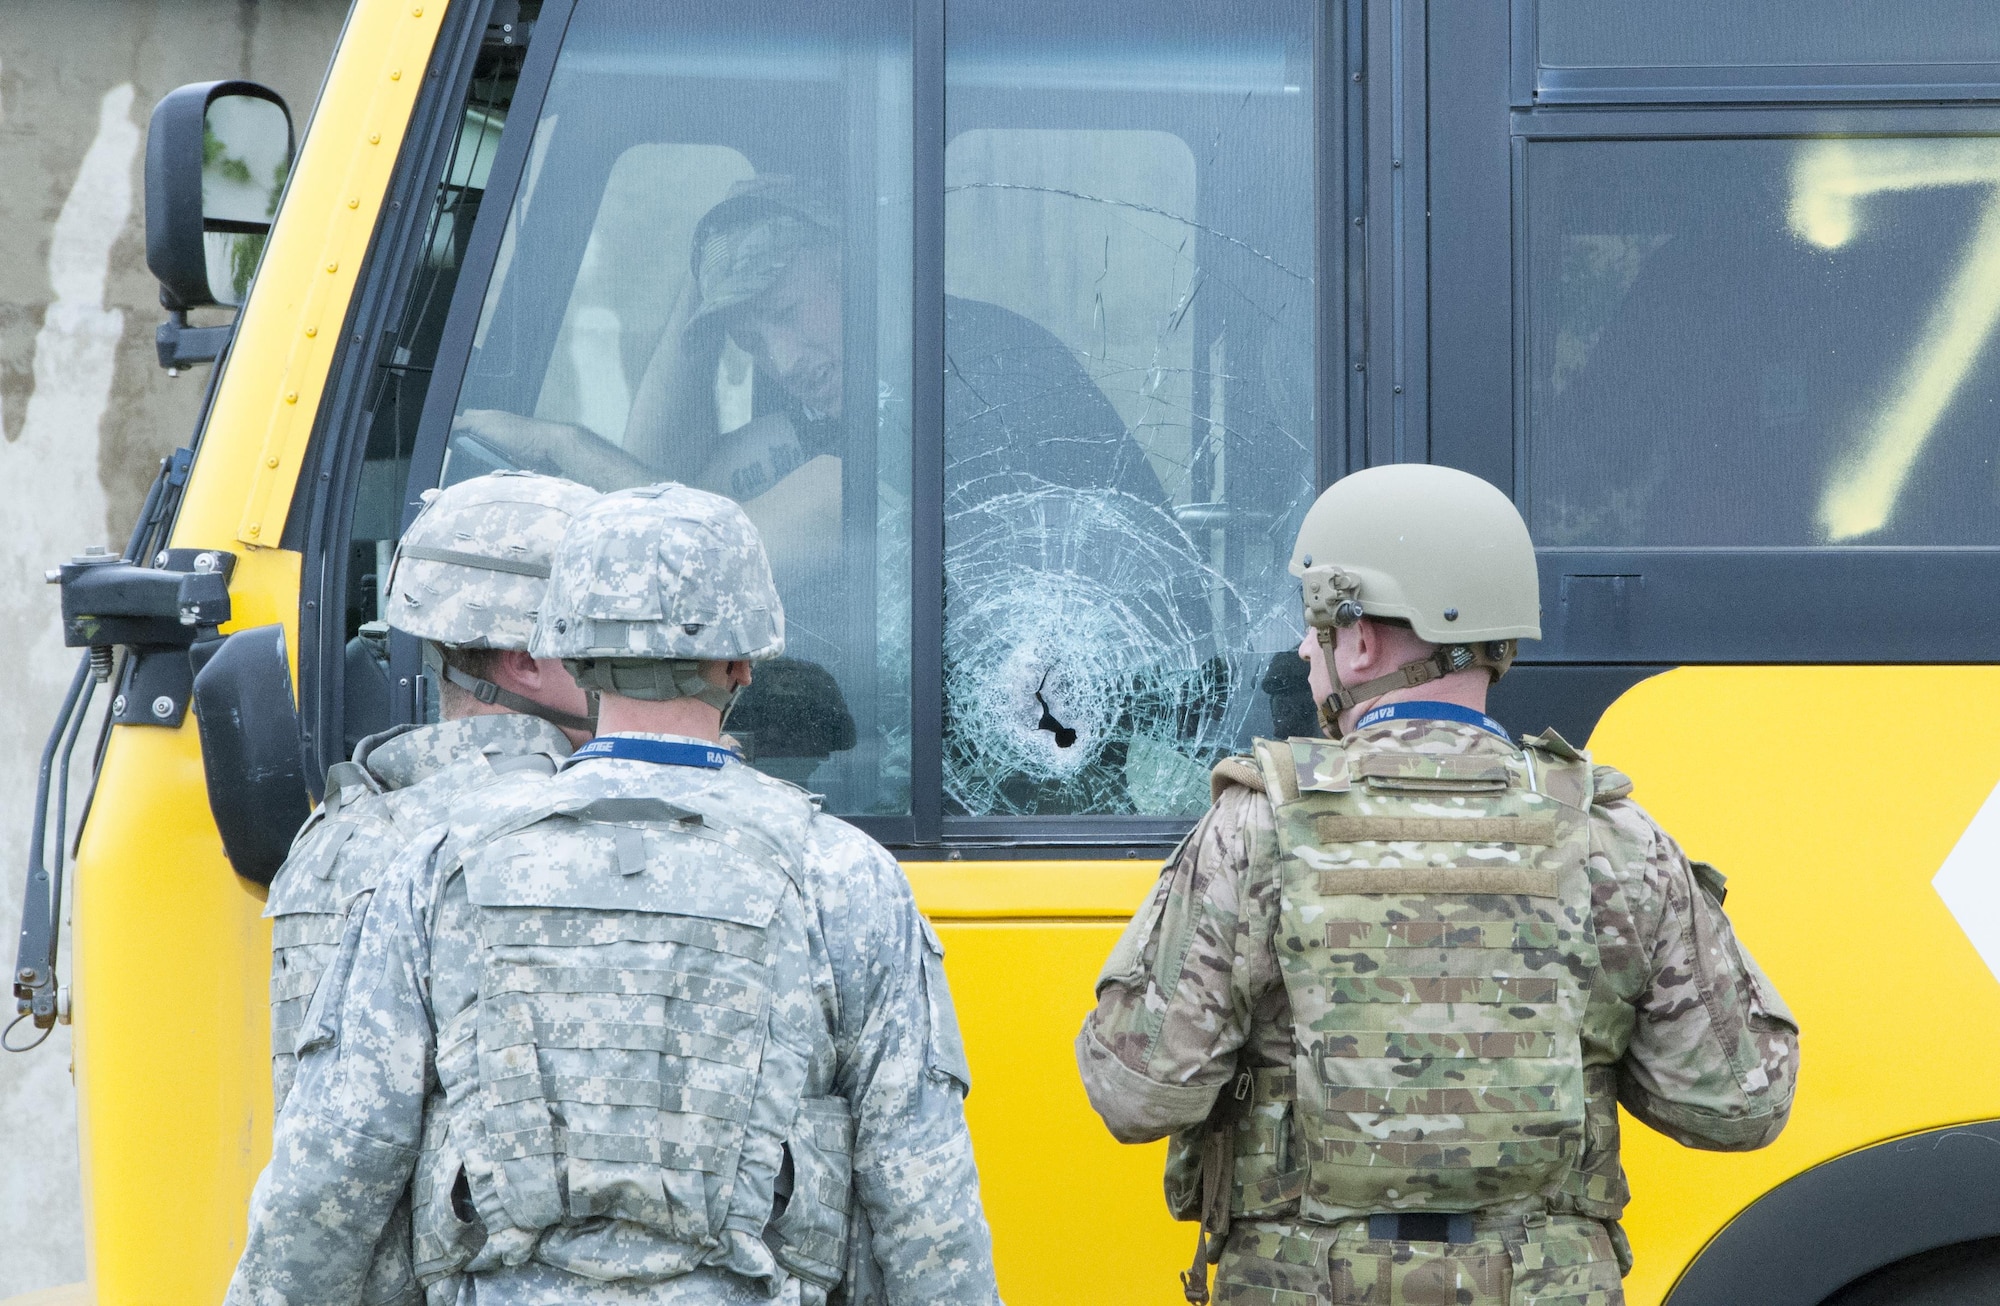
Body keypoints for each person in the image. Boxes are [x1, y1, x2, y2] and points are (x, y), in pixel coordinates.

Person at [225, 483, 1000, 1306]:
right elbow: (924, 1208)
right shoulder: (843, 877)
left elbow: (335, 1170)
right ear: (742, 663)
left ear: (568, 647)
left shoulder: (440, 866)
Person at [1075, 463, 1800, 1305]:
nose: (1306, 649)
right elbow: (1743, 1102)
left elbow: (1136, 1088)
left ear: (1359, 637)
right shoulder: (1611, 836)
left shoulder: (1255, 828)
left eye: (1313, 622)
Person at [256, 470, 595, 1306]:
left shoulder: (343, 833)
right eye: (608, 633)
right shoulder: (553, 835)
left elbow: (318, 1192)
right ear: (530, 659)